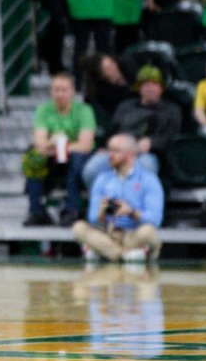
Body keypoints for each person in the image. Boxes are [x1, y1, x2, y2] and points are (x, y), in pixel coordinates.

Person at [82, 65, 182, 188]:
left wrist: (152, 142)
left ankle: (133, 205)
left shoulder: (171, 110)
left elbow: (171, 135)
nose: (150, 88)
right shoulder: (126, 106)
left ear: (161, 88)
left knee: (145, 168)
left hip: (147, 154)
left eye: (154, 84)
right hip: (117, 150)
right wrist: (105, 146)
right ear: (139, 88)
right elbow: (112, 130)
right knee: (91, 170)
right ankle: (105, 203)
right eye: (145, 84)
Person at [72, 134, 164, 263]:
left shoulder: (149, 180)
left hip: (134, 234)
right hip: (108, 233)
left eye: (115, 151)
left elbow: (155, 220)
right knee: (78, 228)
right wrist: (102, 212)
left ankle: (106, 252)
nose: (110, 155)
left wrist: (131, 212)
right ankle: (124, 255)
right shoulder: (102, 179)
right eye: (109, 150)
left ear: (131, 154)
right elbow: (92, 218)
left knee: (148, 232)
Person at [22, 73, 96, 227]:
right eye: (56, 90)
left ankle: (71, 210)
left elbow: (85, 144)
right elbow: (39, 141)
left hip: (77, 156)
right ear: (51, 92)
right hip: (52, 155)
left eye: (64, 90)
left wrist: (62, 146)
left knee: (76, 157)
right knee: (33, 157)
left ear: (72, 91)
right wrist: (52, 146)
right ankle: (36, 211)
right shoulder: (43, 110)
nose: (60, 94)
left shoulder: (85, 110)